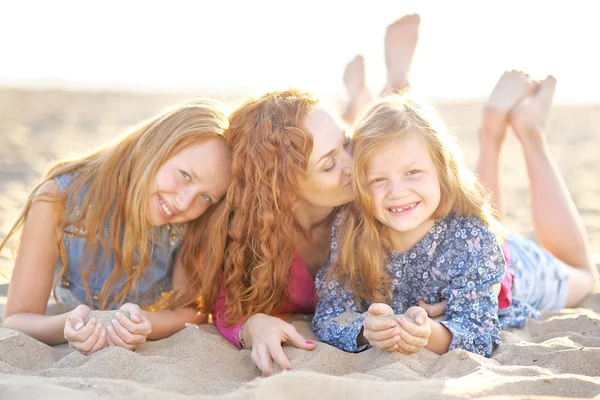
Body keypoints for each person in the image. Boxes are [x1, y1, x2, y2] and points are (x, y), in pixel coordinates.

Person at [192, 14, 424, 377]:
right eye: (330, 165)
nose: (353, 165)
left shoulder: (376, 199)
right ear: (283, 192)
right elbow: (227, 307)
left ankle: (395, 85)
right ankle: (368, 94)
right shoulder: (251, 235)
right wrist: (257, 326)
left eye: (346, 145)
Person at [312, 74, 598, 356]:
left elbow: (479, 333)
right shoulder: (352, 229)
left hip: (517, 273)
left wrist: (429, 336)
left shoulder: (471, 236)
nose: (397, 192)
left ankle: (530, 130)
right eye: (378, 179)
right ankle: (496, 129)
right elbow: (329, 315)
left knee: (585, 276)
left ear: (442, 170)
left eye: (413, 173)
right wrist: (366, 329)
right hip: (479, 251)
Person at [1, 99, 232, 355]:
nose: (184, 202)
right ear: (155, 146)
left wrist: (145, 324)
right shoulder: (58, 199)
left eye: (206, 197)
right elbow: (16, 318)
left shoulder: (189, 224)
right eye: (185, 175)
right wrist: (67, 325)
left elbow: (191, 311)